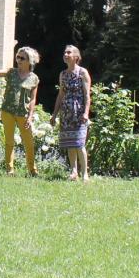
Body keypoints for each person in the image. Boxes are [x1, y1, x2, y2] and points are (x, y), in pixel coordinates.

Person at [0, 46, 40, 176]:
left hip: (23, 114)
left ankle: (32, 170)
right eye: (17, 57)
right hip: (7, 111)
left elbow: (32, 100)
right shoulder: (11, 72)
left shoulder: (34, 78)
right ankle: (10, 170)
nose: (18, 60)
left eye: (22, 58)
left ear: (29, 61)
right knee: (9, 141)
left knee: (29, 142)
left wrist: (30, 117)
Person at [51, 45, 91, 181]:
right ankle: (74, 172)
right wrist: (54, 114)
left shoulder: (82, 73)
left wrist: (86, 113)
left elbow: (87, 95)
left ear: (76, 56)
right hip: (66, 113)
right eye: (65, 52)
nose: (66, 54)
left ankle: (85, 173)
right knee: (70, 143)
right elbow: (60, 94)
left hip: (79, 113)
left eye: (69, 52)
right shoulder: (63, 74)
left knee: (79, 143)